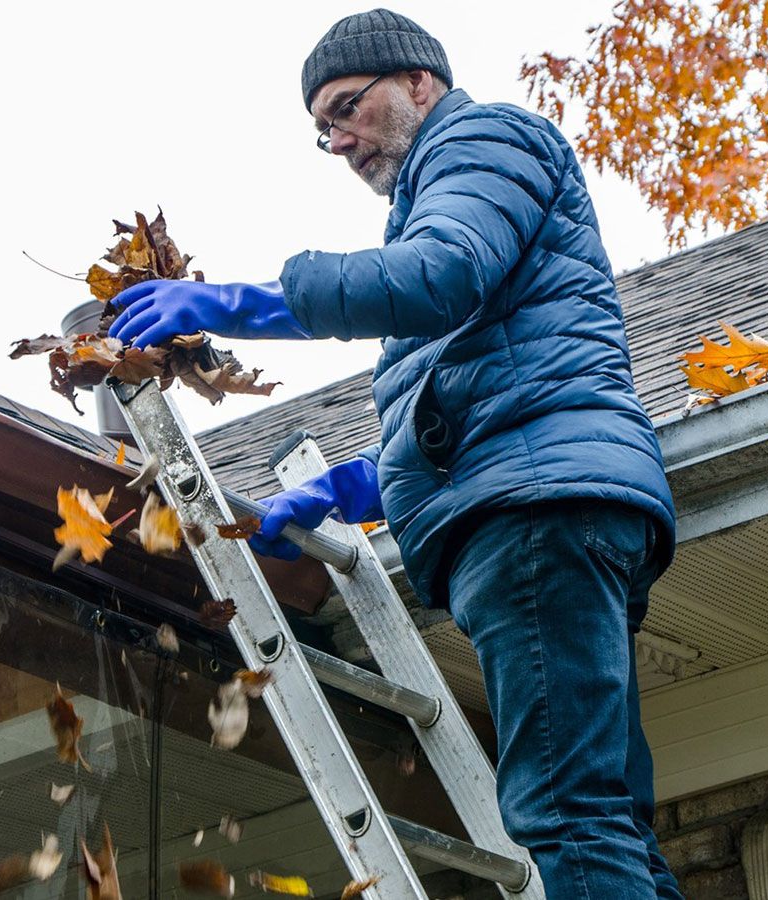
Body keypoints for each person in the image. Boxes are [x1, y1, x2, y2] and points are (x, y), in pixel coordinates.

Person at [106, 9, 682, 898]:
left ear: (419, 81)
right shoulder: (452, 195)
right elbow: (488, 385)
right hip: (546, 502)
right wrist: (359, 484)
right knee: (605, 821)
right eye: (321, 131)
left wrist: (233, 304)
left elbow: (434, 276)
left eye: (345, 109)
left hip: (531, 513)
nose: (337, 142)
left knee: (569, 816)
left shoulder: (484, 139)